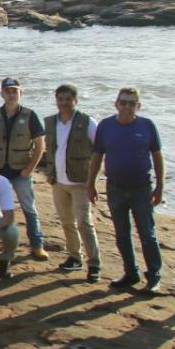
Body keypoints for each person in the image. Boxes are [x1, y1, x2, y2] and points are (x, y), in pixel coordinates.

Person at [88, 87, 165, 293]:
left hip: (141, 188)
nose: (127, 107)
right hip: (115, 188)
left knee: (147, 234)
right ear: (116, 104)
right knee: (122, 234)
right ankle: (131, 273)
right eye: (123, 102)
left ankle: (154, 276)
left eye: (132, 103)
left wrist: (160, 186)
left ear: (138, 106)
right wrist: (91, 184)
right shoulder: (105, 126)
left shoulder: (147, 125)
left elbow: (157, 157)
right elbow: (97, 156)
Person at [0, 77, 47, 260]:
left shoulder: (30, 115)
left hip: (20, 170)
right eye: (7, 91)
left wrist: (30, 168)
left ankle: (37, 244)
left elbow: (40, 145)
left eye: (14, 91)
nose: (11, 94)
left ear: (20, 93)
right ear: (1, 93)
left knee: (29, 208)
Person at [42, 84, 101, 281]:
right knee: (67, 221)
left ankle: (94, 264)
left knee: (84, 222)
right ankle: (75, 257)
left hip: (80, 182)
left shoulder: (87, 122)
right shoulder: (51, 122)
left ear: (75, 100)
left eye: (68, 99)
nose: (64, 103)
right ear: (56, 101)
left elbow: (99, 150)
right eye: (61, 99)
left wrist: (94, 179)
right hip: (58, 181)